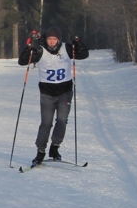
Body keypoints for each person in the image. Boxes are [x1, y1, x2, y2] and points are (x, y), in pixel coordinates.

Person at [18, 26, 89, 166]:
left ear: (58, 39)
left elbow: (83, 54)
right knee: (46, 123)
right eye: (49, 39)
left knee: (62, 120)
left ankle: (55, 147)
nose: (51, 42)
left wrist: (77, 42)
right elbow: (22, 61)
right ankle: (40, 152)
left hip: (65, 92)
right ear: (46, 39)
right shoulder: (40, 50)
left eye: (54, 39)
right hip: (47, 93)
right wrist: (29, 48)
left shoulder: (66, 48)